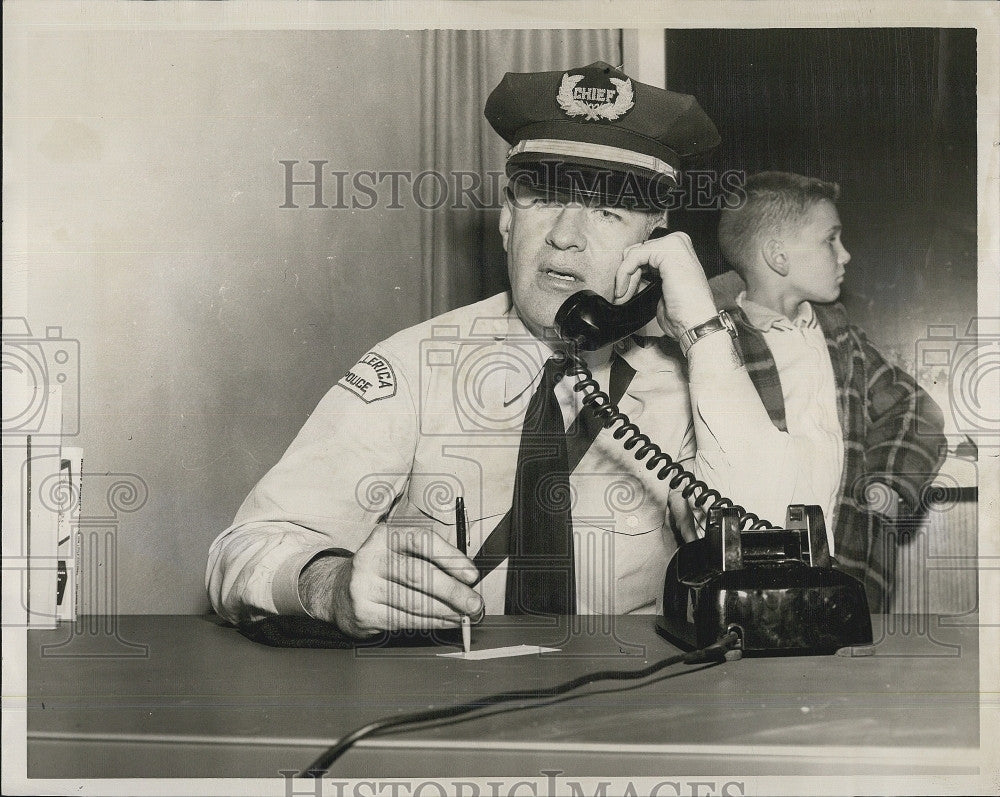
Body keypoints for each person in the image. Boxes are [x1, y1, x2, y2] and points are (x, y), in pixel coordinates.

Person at [206, 63, 829, 637]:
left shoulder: (694, 377)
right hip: (449, 704)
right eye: (544, 198)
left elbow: (774, 546)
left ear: (656, 246)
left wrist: (699, 329)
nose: (563, 237)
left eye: (608, 212)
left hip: (632, 698)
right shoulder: (415, 365)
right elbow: (247, 547)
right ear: (508, 218)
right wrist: (333, 586)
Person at [713, 170, 947, 610]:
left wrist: (890, 481)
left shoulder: (843, 342)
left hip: (846, 567)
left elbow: (914, 408)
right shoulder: (717, 345)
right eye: (830, 240)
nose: (846, 254)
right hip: (747, 570)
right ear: (778, 256)